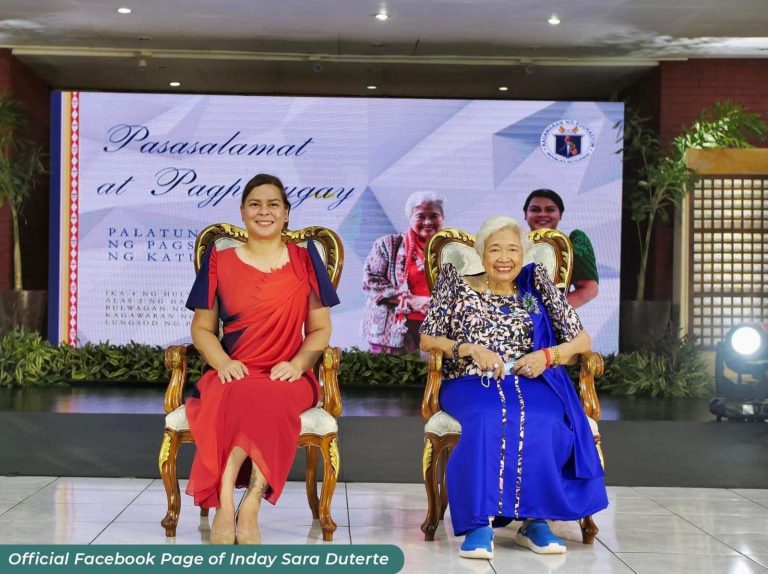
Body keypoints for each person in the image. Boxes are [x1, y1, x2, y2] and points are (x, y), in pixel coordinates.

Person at [419, 216, 607, 559]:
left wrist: (547, 356)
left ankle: (535, 521)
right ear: (481, 254)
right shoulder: (455, 284)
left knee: (546, 418)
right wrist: (467, 348)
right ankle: (478, 524)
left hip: (531, 379)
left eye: (512, 250)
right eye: (495, 250)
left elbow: (581, 340)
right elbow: (427, 338)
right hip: (470, 379)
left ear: (523, 254)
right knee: (488, 416)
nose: (504, 258)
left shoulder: (536, 285)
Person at [184, 173, 339, 544]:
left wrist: (299, 364)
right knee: (239, 393)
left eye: (273, 205)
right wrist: (222, 363)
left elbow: (320, 330)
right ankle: (225, 501)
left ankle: (250, 501)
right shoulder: (219, 261)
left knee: (267, 395)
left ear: (286, 213)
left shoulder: (305, 260)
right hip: (233, 371)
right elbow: (202, 329)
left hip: (288, 375)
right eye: (255, 204)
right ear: (242, 212)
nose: (264, 212)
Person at [361, 191, 445, 353]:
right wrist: (411, 300)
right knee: (393, 369)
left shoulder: (453, 249)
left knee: (436, 369)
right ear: (409, 217)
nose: (428, 222)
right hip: (392, 330)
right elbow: (370, 282)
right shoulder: (387, 245)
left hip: (438, 330)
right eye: (420, 216)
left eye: (434, 216)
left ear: (442, 217)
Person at [523, 189, 599, 308]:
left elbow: (589, 289)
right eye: (535, 209)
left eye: (550, 210)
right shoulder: (510, 244)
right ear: (525, 214)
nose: (542, 214)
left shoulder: (573, 244)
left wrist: (549, 312)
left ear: (560, 214)